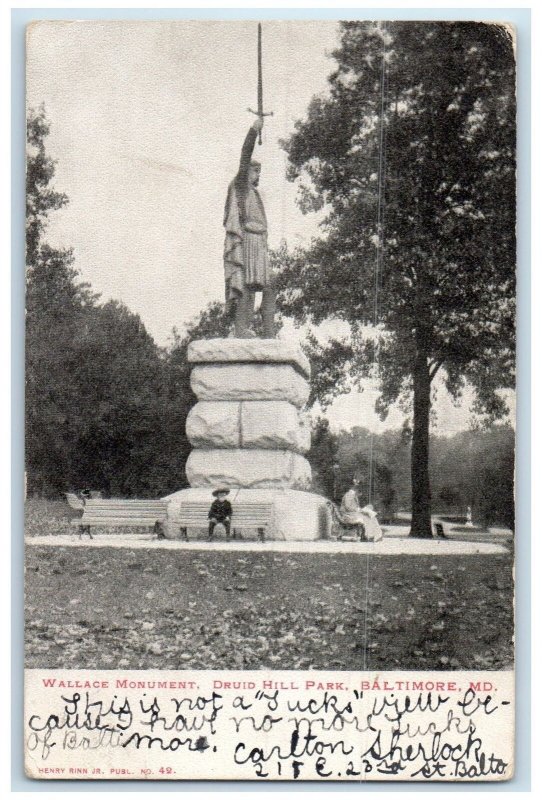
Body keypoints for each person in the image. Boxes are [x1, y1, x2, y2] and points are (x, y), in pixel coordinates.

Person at [223, 116, 275, 338]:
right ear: (247, 172)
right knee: (246, 284)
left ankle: (269, 332)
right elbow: (245, 155)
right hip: (247, 240)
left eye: (259, 172)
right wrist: (254, 130)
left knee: (270, 284)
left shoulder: (254, 193)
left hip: (259, 241)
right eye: (255, 171)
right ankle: (241, 328)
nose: (258, 175)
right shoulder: (242, 187)